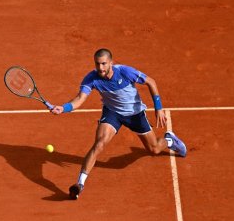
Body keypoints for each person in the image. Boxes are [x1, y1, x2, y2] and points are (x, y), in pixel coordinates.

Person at [50, 48, 187, 200]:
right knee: (99, 144)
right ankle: (79, 184)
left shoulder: (125, 72)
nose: (100, 68)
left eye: (103, 64)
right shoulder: (91, 78)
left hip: (135, 114)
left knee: (154, 149)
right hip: (112, 113)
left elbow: (151, 82)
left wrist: (158, 107)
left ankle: (169, 140)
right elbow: (80, 99)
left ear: (111, 63)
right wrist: (64, 108)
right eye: (97, 64)